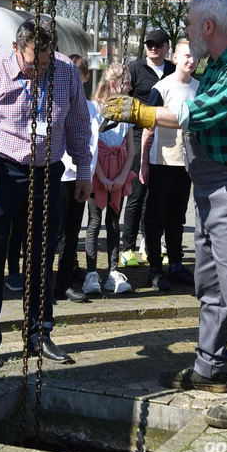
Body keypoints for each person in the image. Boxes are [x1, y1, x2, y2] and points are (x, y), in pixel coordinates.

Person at [102, 0, 227, 429]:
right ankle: (209, 368)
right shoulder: (217, 65)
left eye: (187, 26)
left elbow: (201, 111)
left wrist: (139, 111)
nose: (183, 34)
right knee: (211, 286)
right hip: (213, 187)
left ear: (208, 28)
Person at [0, 20, 92, 371]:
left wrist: (84, 171)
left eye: (46, 62)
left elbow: (79, 124)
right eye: (34, 63)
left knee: (41, 257)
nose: (40, 69)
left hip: (48, 173)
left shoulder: (65, 72)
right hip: (2, 173)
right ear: (18, 49)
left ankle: (39, 332)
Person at [140, 39, 198, 291]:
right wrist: (143, 163)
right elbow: (147, 127)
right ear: (174, 58)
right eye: (185, 56)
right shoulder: (161, 88)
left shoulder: (201, 87)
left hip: (187, 164)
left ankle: (176, 263)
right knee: (155, 217)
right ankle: (155, 268)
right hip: (161, 161)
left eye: (194, 56)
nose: (190, 60)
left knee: (177, 216)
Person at [121, 29, 175, 267]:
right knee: (136, 192)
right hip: (136, 135)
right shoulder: (134, 69)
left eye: (157, 45)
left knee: (158, 195)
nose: (152, 48)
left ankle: (150, 243)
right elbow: (123, 100)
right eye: (149, 44)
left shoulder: (173, 71)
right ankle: (127, 247)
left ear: (166, 47)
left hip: (165, 136)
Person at [83, 64, 136, 296]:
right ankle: (91, 273)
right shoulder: (95, 109)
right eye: (127, 83)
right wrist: (101, 176)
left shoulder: (126, 110)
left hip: (118, 174)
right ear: (115, 84)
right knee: (94, 223)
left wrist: (123, 176)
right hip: (99, 174)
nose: (131, 87)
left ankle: (113, 272)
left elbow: (130, 148)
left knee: (114, 222)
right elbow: (91, 145)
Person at [55, 55, 99, 303]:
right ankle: (44, 281)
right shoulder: (58, 100)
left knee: (72, 232)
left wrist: (87, 173)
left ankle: (64, 281)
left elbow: (91, 141)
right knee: (54, 231)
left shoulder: (91, 108)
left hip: (79, 177)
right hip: (60, 174)